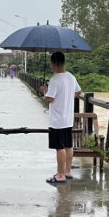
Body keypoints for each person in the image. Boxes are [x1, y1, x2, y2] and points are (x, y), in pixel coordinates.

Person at [39, 52, 81, 183]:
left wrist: (44, 91)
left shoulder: (55, 80)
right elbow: (78, 91)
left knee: (60, 147)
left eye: (51, 64)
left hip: (57, 120)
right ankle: (67, 171)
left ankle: (60, 174)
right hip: (68, 118)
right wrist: (67, 97)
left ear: (55, 64)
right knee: (68, 145)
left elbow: (50, 99)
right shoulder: (71, 77)